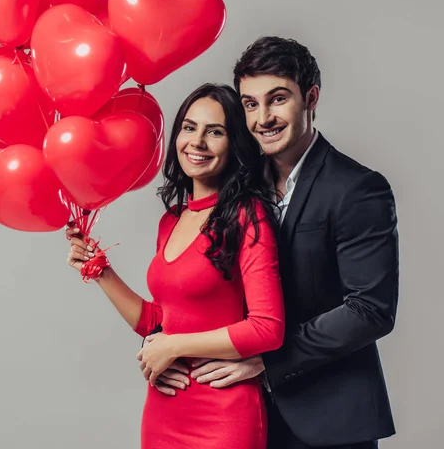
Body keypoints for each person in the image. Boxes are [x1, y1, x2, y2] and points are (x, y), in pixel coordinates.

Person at [152, 37, 399, 449]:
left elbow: (370, 310)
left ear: (311, 97)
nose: (262, 118)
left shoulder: (357, 189)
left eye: (277, 99)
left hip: (329, 417)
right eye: (250, 104)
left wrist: (267, 360)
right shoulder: (238, 182)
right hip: (237, 414)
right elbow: (195, 283)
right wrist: (159, 340)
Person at [66, 83, 285, 449]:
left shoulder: (248, 214)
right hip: (164, 409)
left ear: (235, 145)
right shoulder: (170, 221)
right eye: (189, 127)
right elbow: (161, 321)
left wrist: (171, 347)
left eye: (214, 132)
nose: (197, 142)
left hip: (225, 412)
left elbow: (267, 328)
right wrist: (100, 270)